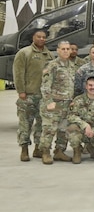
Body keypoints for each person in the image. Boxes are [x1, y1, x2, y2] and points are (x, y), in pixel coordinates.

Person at [13, 29, 54, 161]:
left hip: (43, 97)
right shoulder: (24, 53)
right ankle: (24, 149)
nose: (41, 39)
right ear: (33, 38)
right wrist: (21, 91)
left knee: (41, 125)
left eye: (43, 37)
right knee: (25, 124)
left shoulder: (49, 55)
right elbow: (18, 73)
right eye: (39, 37)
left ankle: (38, 148)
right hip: (28, 95)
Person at [39, 41, 75, 165]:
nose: (65, 51)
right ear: (58, 50)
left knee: (63, 129)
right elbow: (45, 86)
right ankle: (45, 152)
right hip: (54, 103)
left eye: (68, 49)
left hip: (67, 104)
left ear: (71, 51)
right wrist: (49, 101)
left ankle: (59, 151)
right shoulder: (52, 66)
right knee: (49, 129)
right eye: (63, 49)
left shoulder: (71, 65)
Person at [67, 76, 94, 164]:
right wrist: (85, 125)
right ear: (86, 86)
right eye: (90, 85)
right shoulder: (78, 100)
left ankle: (90, 146)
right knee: (71, 129)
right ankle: (77, 151)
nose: (92, 87)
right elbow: (71, 116)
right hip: (81, 130)